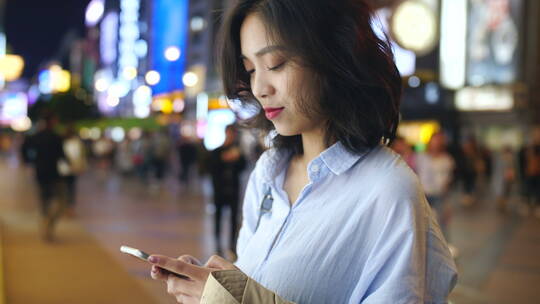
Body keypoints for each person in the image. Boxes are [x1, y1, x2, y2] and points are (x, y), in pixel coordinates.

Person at [148, 0, 457, 303]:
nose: (259, 88)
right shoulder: (269, 170)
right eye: (251, 70)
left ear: (335, 55)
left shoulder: (387, 189)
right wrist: (215, 288)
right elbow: (254, 283)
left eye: (275, 64)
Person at [209, 125, 247, 257]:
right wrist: (224, 159)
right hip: (219, 191)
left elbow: (243, 167)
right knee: (218, 218)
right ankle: (218, 245)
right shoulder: (217, 151)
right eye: (230, 133)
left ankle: (232, 245)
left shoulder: (238, 153)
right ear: (226, 133)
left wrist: (237, 158)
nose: (231, 136)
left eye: (233, 133)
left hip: (233, 191)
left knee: (233, 219)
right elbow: (211, 169)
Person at [30, 115, 67, 241]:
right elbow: (62, 155)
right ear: (52, 121)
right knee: (62, 201)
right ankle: (49, 224)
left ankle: (45, 224)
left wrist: (32, 161)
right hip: (54, 174)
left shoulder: (36, 137)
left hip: (40, 174)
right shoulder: (56, 137)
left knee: (44, 201)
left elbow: (26, 151)